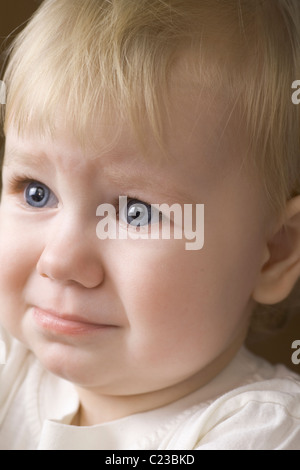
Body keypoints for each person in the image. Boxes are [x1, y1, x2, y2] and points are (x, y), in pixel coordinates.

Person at [0, 0, 300, 450]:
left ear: (273, 251)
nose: (60, 261)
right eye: (36, 192)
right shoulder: (12, 362)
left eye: (135, 211)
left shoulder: (268, 431)